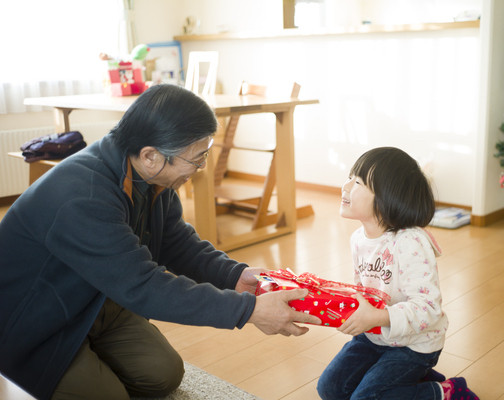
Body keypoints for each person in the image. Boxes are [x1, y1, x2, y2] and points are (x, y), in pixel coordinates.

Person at [0, 84, 321, 400]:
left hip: (97, 299)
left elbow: (175, 241)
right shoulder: (81, 196)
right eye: (197, 158)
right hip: (36, 321)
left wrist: (234, 276)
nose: (201, 167)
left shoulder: (148, 175)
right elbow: (144, 286)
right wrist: (248, 311)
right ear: (151, 156)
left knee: (163, 374)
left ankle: (90, 351)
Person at [316, 147, 478, 400]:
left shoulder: (410, 242)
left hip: (415, 344)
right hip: (375, 336)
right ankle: (411, 381)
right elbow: (367, 292)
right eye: (349, 177)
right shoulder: (358, 238)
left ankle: (443, 392)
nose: (345, 186)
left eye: (357, 182)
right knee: (330, 389)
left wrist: (378, 316)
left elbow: (428, 309)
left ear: (386, 197)